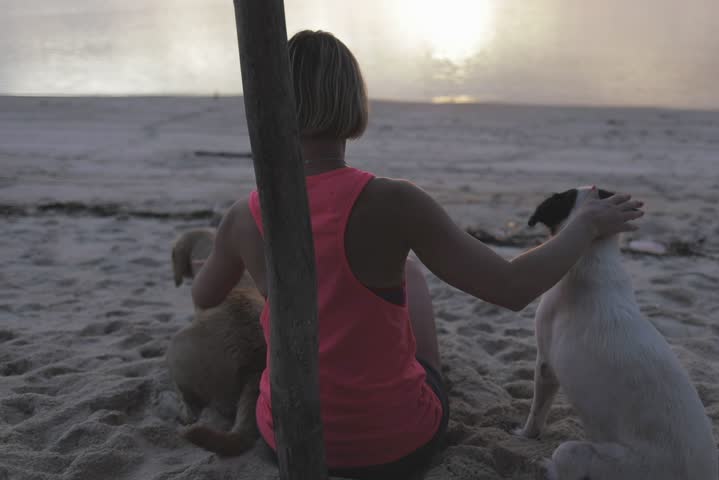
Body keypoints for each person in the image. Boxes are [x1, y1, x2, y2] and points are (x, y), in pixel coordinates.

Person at [191, 29, 644, 479]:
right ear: (353, 101)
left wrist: (247, 258)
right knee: (408, 276)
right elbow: (512, 288)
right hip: (394, 444)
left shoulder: (243, 216)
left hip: (287, 440)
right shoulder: (394, 201)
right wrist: (584, 225)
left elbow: (205, 295)